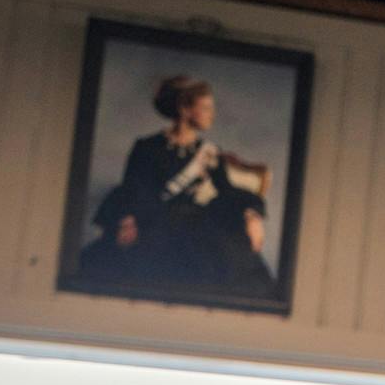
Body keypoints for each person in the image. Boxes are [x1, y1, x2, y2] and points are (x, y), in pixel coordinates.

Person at [82, 74, 276, 295]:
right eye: (205, 107)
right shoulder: (147, 146)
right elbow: (132, 188)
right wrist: (128, 220)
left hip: (193, 223)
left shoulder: (209, 152)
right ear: (185, 109)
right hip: (152, 221)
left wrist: (253, 215)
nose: (212, 115)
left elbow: (228, 191)